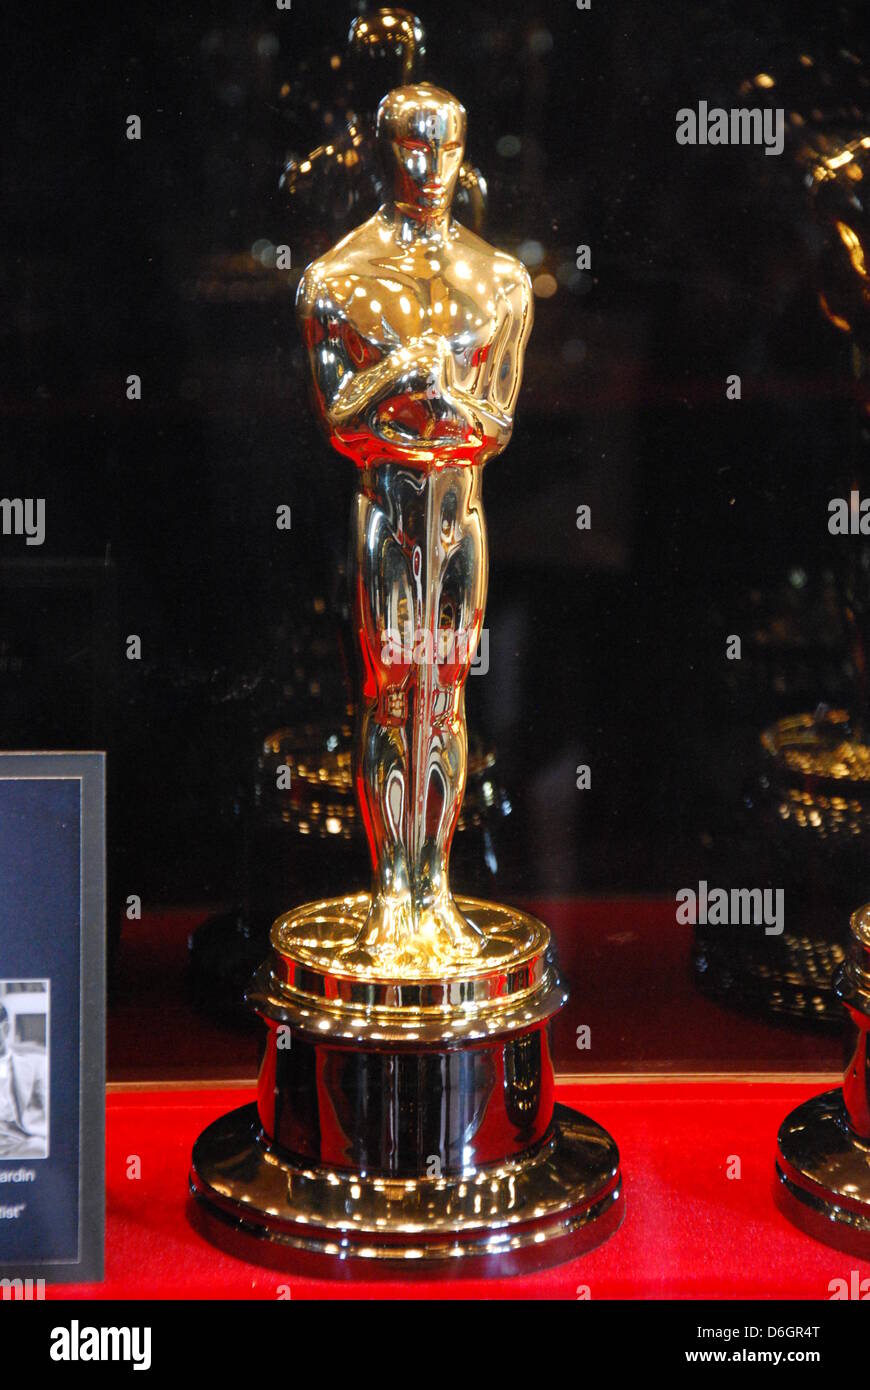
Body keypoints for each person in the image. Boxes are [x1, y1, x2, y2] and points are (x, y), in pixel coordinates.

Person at [297, 83, 533, 971]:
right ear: (384, 153)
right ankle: (391, 890)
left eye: (444, 148)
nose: (429, 167)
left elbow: (497, 426)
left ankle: (433, 885)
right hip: (388, 506)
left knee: (449, 697)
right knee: (392, 695)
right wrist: (405, 379)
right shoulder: (337, 280)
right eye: (412, 148)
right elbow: (341, 423)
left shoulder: (500, 282)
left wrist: (436, 401)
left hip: (459, 508)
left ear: (465, 152)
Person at [0, 1002, 47, 1159]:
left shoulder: (36, 1064)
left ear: (5, 1029)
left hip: (22, 1143)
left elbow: (52, 1113)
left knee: (39, 1147)